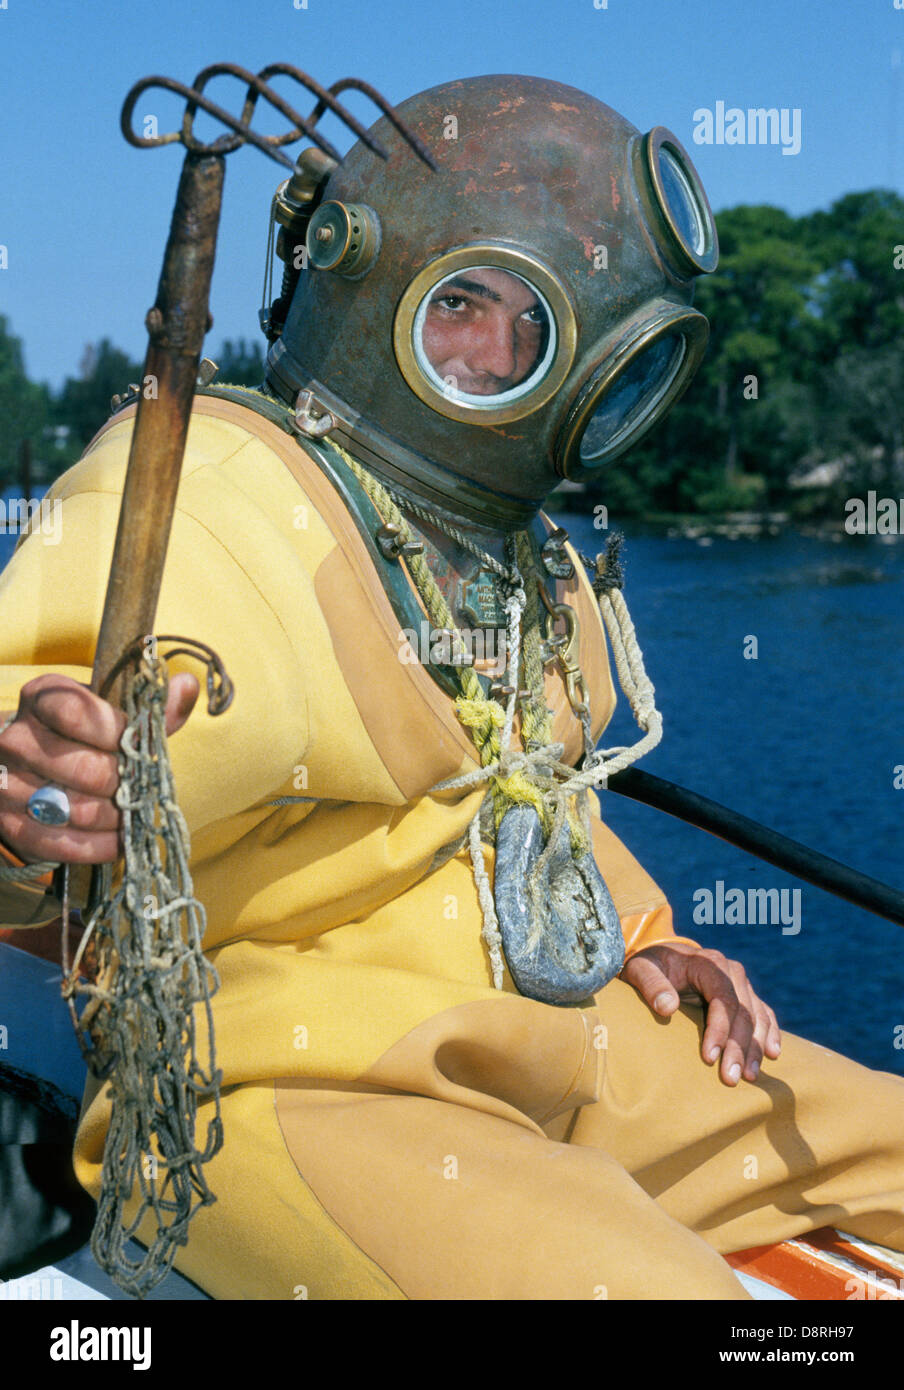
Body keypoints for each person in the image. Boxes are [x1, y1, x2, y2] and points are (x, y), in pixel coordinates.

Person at [1, 72, 903, 1301]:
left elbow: (531, 795)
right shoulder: (206, 492)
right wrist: (53, 796)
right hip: (288, 1087)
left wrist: (644, 937)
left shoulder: (525, 554)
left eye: (535, 331)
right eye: (464, 305)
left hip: (574, 1046)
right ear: (364, 284)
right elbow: (74, 757)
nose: (496, 356)